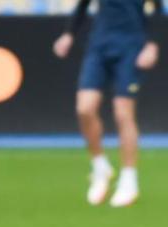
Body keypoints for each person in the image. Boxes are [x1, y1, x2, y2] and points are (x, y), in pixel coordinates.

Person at [52, 0, 161, 207]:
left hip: (131, 46)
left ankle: (129, 178)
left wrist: (153, 44)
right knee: (84, 108)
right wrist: (68, 34)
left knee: (123, 112)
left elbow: (158, 9)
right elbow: (83, 5)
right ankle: (100, 166)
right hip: (99, 45)